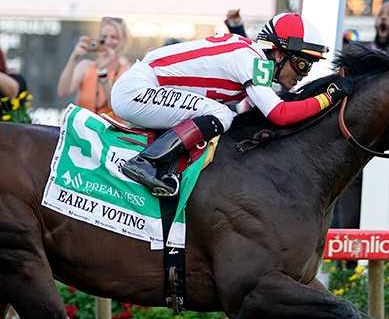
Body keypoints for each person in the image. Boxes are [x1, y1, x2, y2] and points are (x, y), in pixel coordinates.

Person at [112, 13, 352, 195]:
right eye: (302, 64)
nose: (303, 74)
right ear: (278, 54)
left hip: (143, 88)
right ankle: (146, 162)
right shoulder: (252, 60)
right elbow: (279, 114)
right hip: (138, 90)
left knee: (221, 113)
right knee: (222, 114)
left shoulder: (251, 56)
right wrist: (328, 96)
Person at [56, 17, 130, 115]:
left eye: (114, 37)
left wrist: (103, 72)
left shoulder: (127, 71)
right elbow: (62, 92)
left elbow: (114, 107)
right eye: (104, 37)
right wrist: (73, 59)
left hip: (110, 130)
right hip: (82, 128)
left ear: (123, 41)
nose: (108, 42)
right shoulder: (86, 66)